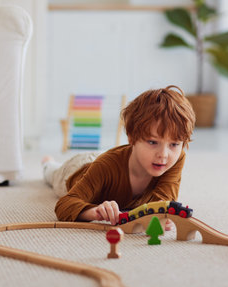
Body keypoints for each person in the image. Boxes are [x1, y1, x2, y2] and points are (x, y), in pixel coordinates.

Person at [43, 85, 195, 230]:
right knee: (53, 173)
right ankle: (48, 164)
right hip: (77, 168)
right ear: (131, 137)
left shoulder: (174, 158)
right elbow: (64, 205)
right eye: (152, 142)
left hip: (106, 158)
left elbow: (163, 201)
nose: (163, 154)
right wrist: (95, 211)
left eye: (174, 144)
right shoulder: (105, 166)